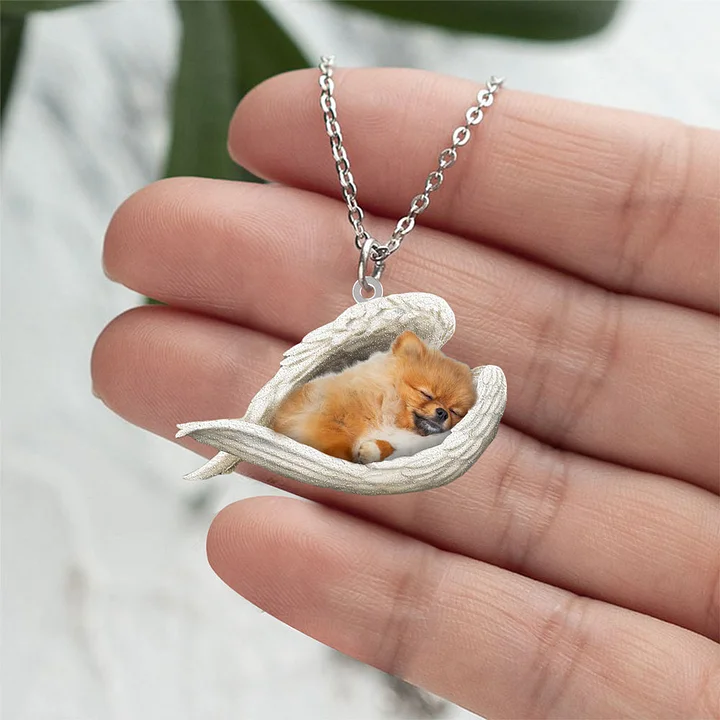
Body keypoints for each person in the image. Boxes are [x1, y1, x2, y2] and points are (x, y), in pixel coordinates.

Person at [92, 68, 719, 718]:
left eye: (446, 412)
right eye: (432, 402)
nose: (437, 413)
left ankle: (247, 440)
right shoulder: (377, 374)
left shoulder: (419, 409)